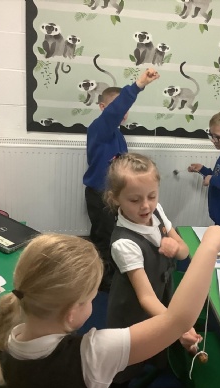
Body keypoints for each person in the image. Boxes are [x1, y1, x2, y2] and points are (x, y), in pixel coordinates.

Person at [0, 229, 220, 388]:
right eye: (91, 298)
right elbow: (177, 320)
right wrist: (209, 247)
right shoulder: (93, 354)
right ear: (71, 314)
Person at [103, 153, 203, 388]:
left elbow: (185, 252)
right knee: (128, 361)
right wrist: (177, 326)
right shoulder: (124, 243)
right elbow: (145, 297)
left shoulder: (156, 212)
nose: (146, 206)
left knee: (157, 344)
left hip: (161, 294)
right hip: (133, 310)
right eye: (135, 199)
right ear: (116, 198)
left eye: (152, 196)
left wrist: (176, 248)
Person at [83, 69, 160, 291]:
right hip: (100, 193)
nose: (122, 112)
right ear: (103, 108)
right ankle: (103, 281)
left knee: (112, 233)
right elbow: (113, 113)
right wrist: (138, 86)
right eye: (117, 107)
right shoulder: (100, 128)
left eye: (125, 108)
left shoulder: (117, 134)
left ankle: (111, 273)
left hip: (113, 193)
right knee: (104, 236)